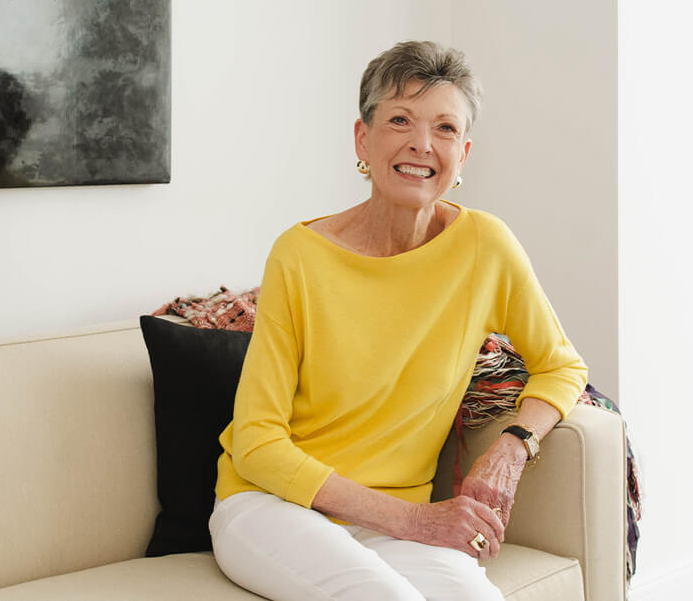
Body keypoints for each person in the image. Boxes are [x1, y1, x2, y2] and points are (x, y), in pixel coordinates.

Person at [209, 40, 587, 600]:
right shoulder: (300, 255)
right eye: (400, 120)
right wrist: (415, 520)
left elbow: (561, 367)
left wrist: (511, 447)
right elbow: (257, 442)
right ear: (363, 139)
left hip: (393, 523)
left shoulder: (486, 247)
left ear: (463, 153)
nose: (422, 144)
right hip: (271, 506)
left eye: (445, 128)